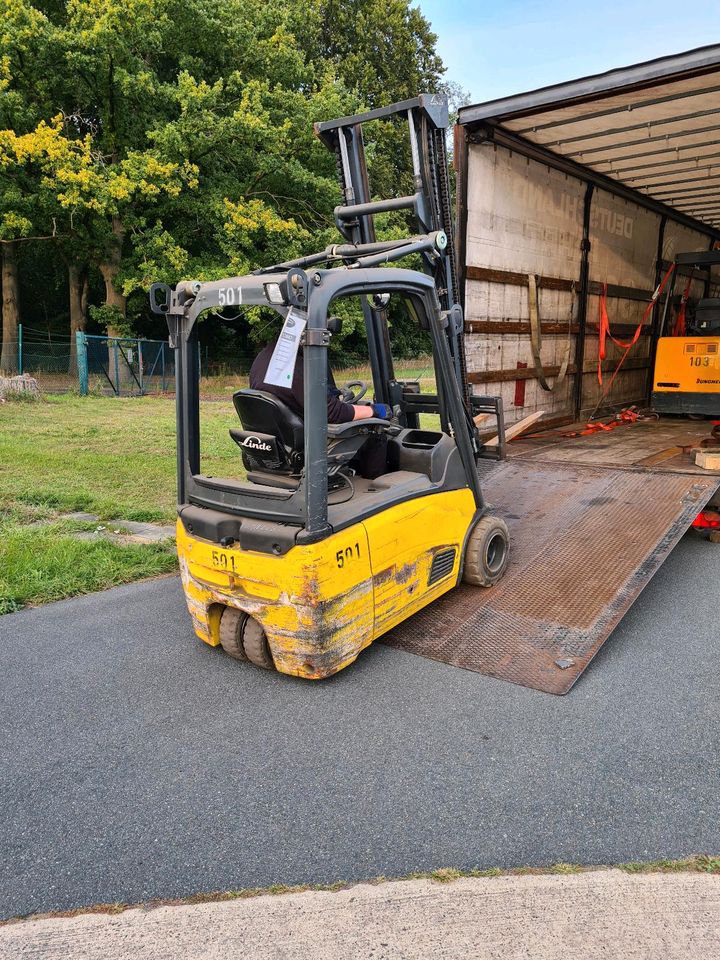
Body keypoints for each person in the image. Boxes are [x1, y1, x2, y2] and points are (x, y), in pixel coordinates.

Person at [249, 340, 391, 479]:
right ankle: (375, 485)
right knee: (375, 430)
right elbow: (334, 412)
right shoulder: (295, 368)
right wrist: (375, 410)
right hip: (307, 445)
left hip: (281, 443)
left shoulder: (264, 358)